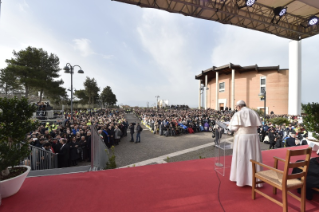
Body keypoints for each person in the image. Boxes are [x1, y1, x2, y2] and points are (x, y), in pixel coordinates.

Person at [228, 100, 263, 187]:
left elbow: (233, 128)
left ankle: (241, 180)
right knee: (254, 157)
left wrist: (229, 125)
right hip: (254, 138)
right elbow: (257, 125)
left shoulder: (238, 114)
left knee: (242, 158)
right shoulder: (254, 112)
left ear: (239, 106)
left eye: (236, 107)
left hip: (243, 138)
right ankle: (255, 180)